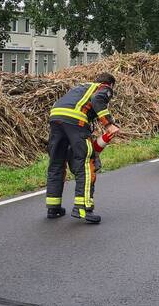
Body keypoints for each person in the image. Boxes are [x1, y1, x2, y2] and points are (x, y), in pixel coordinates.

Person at [45, 73, 119, 224]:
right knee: (85, 162)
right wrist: (109, 124)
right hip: (75, 120)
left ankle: (53, 207)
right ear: (110, 84)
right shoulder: (103, 88)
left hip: (55, 117)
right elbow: (97, 100)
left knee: (56, 163)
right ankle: (83, 208)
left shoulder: (80, 88)